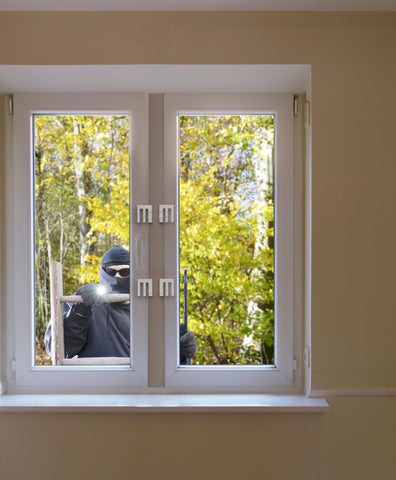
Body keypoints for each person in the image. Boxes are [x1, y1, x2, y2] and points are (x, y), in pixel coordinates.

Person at [45, 246, 196, 364]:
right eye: (110, 271)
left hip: (135, 392)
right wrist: (80, 312)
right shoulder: (76, 302)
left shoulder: (150, 311)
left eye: (125, 272)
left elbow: (158, 367)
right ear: (102, 272)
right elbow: (57, 350)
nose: (117, 277)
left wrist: (178, 354)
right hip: (90, 390)